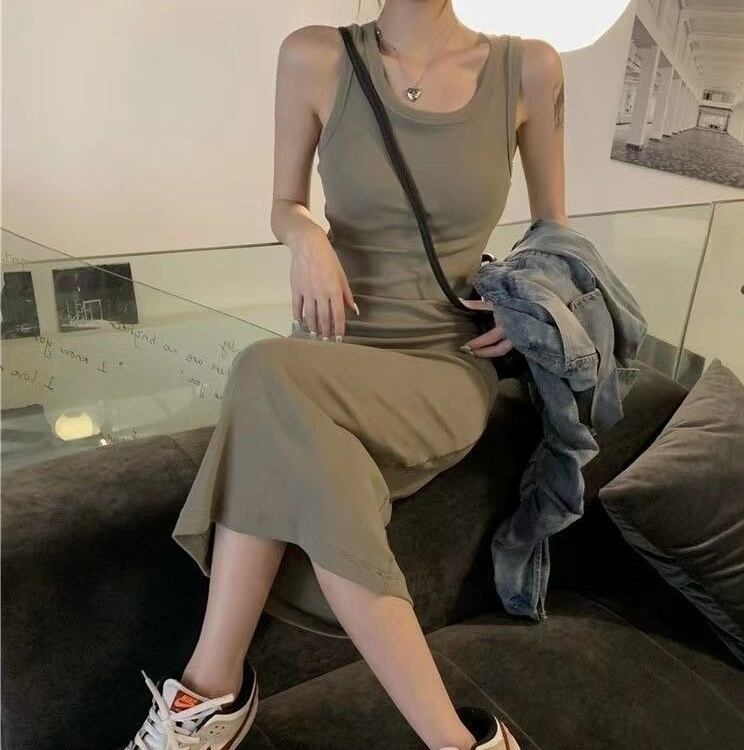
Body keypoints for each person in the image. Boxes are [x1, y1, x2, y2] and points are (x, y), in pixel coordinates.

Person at [125, 0, 567, 748]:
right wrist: (305, 235)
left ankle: (211, 696)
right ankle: (459, 744)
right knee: (283, 408)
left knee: (263, 374)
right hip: (330, 357)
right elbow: (284, 202)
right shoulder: (315, 56)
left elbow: (556, 233)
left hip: (443, 366)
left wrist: (529, 300)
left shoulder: (528, 68)